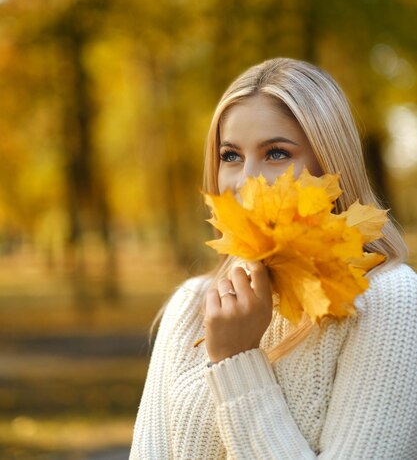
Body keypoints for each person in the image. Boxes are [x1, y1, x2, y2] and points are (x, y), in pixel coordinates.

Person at [129, 58, 417, 459]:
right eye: (230, 156)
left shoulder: (387, 299)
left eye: (277, 153)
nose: (246, 181)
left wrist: (237, 361)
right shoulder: (193, 305)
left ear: (331, 165)